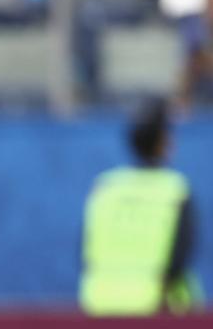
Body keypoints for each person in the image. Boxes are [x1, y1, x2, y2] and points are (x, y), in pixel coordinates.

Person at [80, 102, 201, 316]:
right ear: (164, 142)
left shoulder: (105, 187)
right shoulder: (175, 190)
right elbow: (180, 259)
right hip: (154, 306)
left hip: (98, 302)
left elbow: (83, 251)